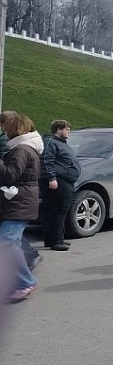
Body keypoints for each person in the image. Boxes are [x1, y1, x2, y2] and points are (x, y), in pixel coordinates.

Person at [0, 114, 44, 303]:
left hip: (19, 201)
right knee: (11, 241)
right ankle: (23, 275)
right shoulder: (26, 148)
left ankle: (26, 281)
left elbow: (10, 175)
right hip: (20, 201)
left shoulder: (21, 149)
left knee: (7, 241)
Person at [39, 119, 81, 251]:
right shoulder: (50, 142)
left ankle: (53, 239)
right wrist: (51, 178)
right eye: (67, 129)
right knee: (58, 210)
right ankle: (56, 241)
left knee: (56, 210)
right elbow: (46, 160)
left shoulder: (61, 143)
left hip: (63, 180)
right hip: (57, 180)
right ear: (58, 129)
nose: (69, 131)